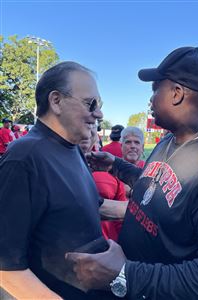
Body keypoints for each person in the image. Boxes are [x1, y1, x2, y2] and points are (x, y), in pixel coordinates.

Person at [67, 47, 198, 299]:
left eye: (155, 89)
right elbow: (155, 185)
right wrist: (115, 165)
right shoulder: (169, 141)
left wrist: (125, 274)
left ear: (177, 94)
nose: (150, 100)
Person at [0, 61, 114, 300]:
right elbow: (6, 268)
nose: (99, 113)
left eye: (99, 105)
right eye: (90, 103)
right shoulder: (24, 157)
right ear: (56, 101)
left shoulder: (72, 149)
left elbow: (90, 205)